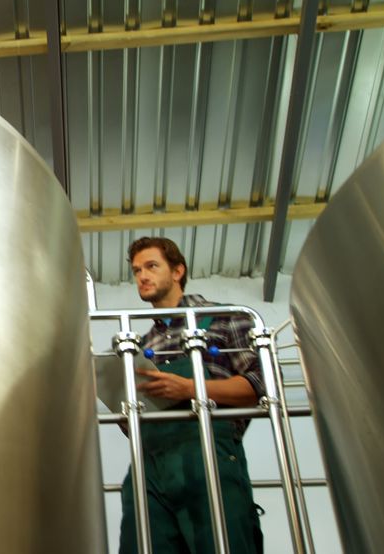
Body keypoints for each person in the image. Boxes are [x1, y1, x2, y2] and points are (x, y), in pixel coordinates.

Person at [118, 236, 264, 554]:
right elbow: (134, 427)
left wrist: (191, 388)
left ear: (177, 271)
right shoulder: (140, 347)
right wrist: (124, 408)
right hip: (149, 468)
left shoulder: (224, 318)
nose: (142, 275)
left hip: (208, 455)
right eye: (136, 270)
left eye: (152, 266)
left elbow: (259, 387)